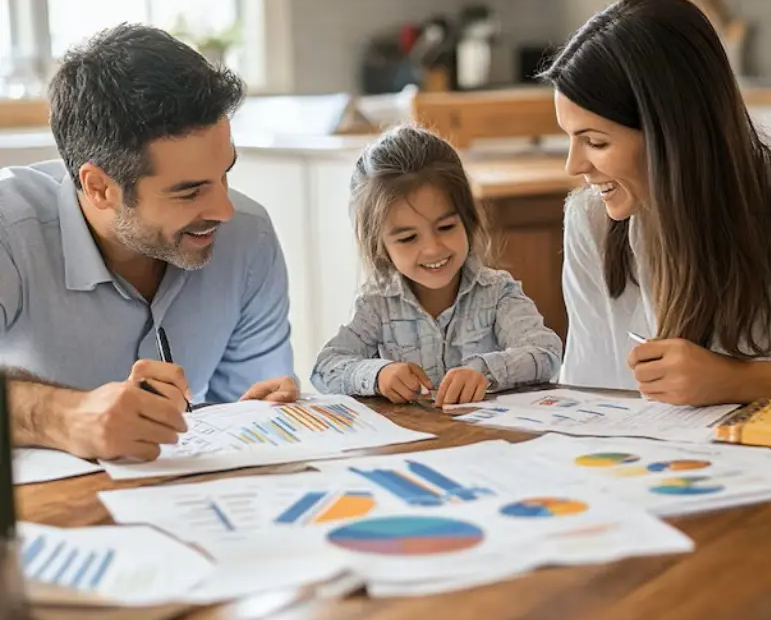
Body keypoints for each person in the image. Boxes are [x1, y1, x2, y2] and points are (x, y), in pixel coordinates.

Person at [2, 24, 298, 462]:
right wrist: (65, 416)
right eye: (190, 191)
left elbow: (248, 416)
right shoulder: (10, 231)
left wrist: (268, 412)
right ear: (100, 187)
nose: (224, 209)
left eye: (225, 174)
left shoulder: (248, 236)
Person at [544, 0, 771, 406]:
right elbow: (588, 394)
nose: (574, 166)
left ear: (670, 137)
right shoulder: (589, 221)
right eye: (570, 138)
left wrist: (737, 380)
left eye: (595, 141)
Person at [303, 124, 562, 406]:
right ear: (381, 246)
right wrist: (379, 374)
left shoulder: (498, 292)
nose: (432, 248)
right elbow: (325, 369)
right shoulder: (377, 304)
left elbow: (546, 353)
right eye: (408, 238)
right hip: (413, 443)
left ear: (467, 219)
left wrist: (485, 372)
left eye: (446, 227)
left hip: (487, 439)